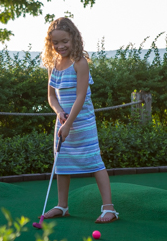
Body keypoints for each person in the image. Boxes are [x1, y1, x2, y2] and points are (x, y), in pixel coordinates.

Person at [40, 17, 119, 223]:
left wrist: (69, 124)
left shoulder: (80, 63)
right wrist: (59, 113)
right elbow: (51, 96)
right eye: (55, 43)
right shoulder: (53, 64)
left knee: (94, 161)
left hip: (82, 122)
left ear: (74, 38)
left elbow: (80, 97)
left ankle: (109, 208)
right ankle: (62, 206)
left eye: (64, 41)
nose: (60, 46)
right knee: (62, 163)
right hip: (63, 121)